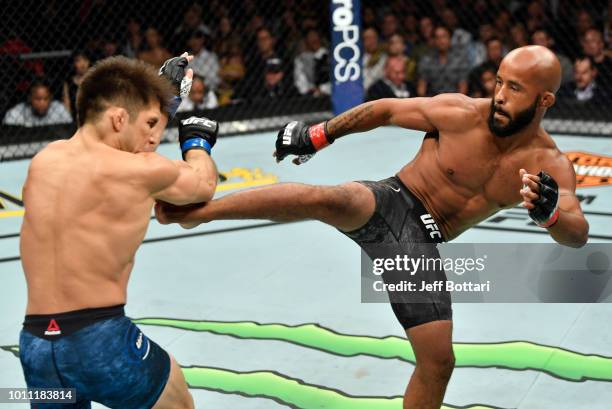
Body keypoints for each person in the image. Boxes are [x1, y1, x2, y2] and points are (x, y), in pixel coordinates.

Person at [156, 46, 589, 409]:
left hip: (417, 243)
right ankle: (196, 214)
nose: (498, 95)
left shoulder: (549, 165)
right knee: (331, 198)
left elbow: (577, 232)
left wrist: (550, 213)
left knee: (439, 362)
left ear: (544, 101)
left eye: (515, 88)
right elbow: (384, 109)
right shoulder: (460, 113)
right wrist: (319, 135)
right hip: (393, 201)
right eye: (498, 81)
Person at [19, 54, 219, 408]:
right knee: (178, 400)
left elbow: (92, 145)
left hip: (36, 348)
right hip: (97, 342)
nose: (155, 138)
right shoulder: (142, 170)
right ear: (119, 118)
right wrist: (197, 141)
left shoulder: (44, 161)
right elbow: (202, 185)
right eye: (151, 125)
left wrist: (154, 101)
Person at [417, 25, 469, 96]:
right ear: (434, 40)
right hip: (433, 101)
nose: (441, 41)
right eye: (437, 37)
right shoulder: (426, 60)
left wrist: (457, 104)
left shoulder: (460, 59)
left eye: (444, 37)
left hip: (454, 100)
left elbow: (463, 86)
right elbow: (421, 87)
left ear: (450, 38)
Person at [3, 80, 72, 127]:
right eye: (38, 99)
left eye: (46, 99)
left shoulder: (59, 109)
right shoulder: (16, 113)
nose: (42, 103)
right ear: (29, 98)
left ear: (50, 98)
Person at [63, 51, 91, 120]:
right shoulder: (68, 83)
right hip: (75, 117)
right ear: (73, 64)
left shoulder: (95, 79)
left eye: (85, 60)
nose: (83, 64)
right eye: (78, 61)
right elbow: (67, 103)